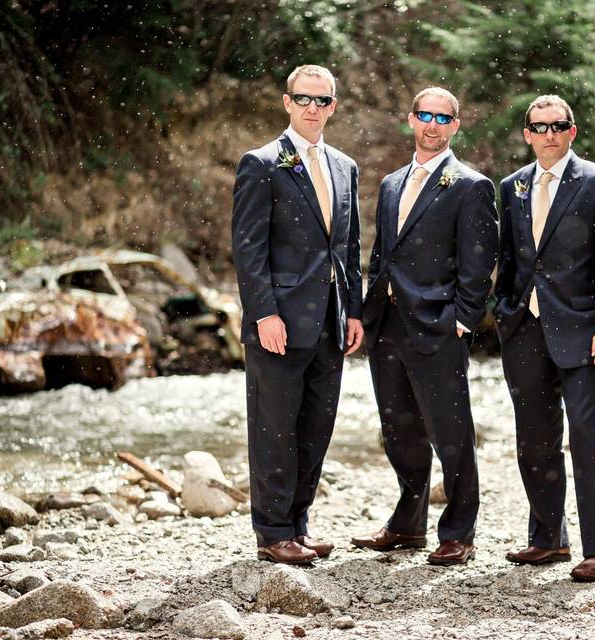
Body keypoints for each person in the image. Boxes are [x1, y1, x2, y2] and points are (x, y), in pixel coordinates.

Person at [352, 87, 498, 566]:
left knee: (451, 433)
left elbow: (479, 264)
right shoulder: (392, 183)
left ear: (455, 125)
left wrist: (461, 320)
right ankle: (408, 523)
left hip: (438, 325)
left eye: (443, 118)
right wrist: (366, 310)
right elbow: (382, 253)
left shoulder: (471, 185)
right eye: (425, 116)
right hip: (388, 324)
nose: (433, 125)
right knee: (399, 431)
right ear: (411, 120)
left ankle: (459, 532)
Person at [494, 94, 595, 581]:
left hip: (583, 329)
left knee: (585, 435)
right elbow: (511, 259)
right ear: (527, 134)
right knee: (534, 439)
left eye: (558, 126)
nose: (548, 134)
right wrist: (504, 311)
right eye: (539, 126)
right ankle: (547, 538)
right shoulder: (511, 187)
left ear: (572, 131)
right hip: (524, 330)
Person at [231, 64, 363, 564]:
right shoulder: (261, 163)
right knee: (274, 428)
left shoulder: (345, 167)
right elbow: (248, 248)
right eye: (304, 99)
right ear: (287, 102)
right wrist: (264, 312)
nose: (313, 108)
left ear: (333, 105)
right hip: (279, 322)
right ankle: (272, 533)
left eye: (322, 100)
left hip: (330, 322)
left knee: (314, 428)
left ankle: (299, 525)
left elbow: (347, 248)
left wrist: (352, 311)